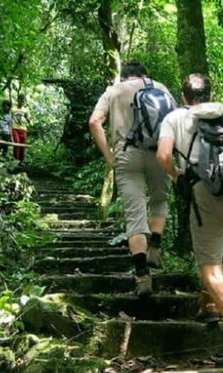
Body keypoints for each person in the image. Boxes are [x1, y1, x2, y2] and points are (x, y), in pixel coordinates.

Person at [156, 73, 223, 367]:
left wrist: (177, 174)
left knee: (211, 271)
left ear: (184, 96)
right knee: (213, 251)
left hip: (207, 193)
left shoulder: (174, 117)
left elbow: (164, 155)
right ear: (209, 94)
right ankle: (209, 304)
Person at [88, 62, 175, 297]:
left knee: (135, 213)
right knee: (159, 199)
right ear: (144, 74)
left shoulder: (114, 91)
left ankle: (142, 275)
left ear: (123, 76)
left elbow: (94, 121)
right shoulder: (161, 88)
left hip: (126, 154)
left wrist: (109, 156)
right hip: (159, 152)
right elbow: (176, 122)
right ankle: (154, 246)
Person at [11, 94, 31, 164]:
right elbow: (9, 118)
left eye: (23, 101)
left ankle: (21, 161)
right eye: (20, 100)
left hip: (23, 129)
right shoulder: (13, 109)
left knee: (23, 144)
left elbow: (29, 120)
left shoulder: (26, 110)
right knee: (17, 142)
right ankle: (16, 160)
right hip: (15, 128)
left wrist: (27, 117)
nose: (22, 102)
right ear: (18, 100)